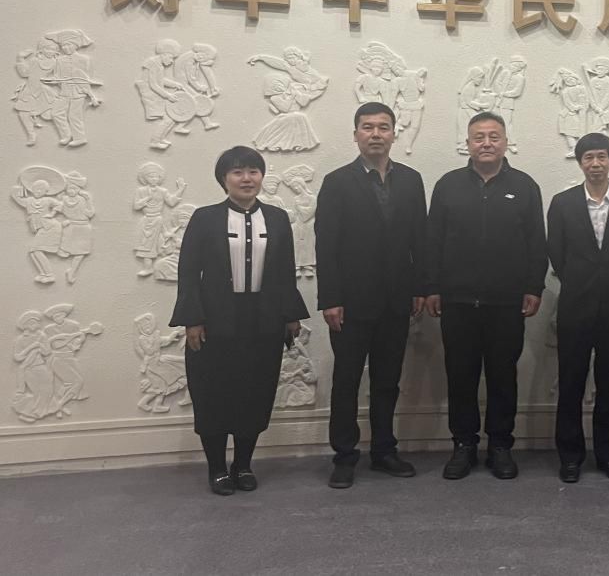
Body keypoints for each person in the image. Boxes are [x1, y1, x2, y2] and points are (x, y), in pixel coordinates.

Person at [169, 146, 309, 496]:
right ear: (224, 179)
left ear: (262, 176)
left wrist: (291, 314)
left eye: (253, 171)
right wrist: (192, 319)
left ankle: (243, 465)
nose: (246, 178)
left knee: (255, 392)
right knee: (213, 394)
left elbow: (285, 271)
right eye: (237, 172)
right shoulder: (204, 218)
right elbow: (188, 273)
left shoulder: (277, 218)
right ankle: (217, 468)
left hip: (263, 321)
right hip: (215, 321)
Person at [426, 112, 546, 480]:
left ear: (506, 142)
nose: (487, 143)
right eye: (479, 137)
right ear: (468, 143)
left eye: (494, 136)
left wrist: (534, 287)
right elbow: (433, 240)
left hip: (506, 302)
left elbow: (536, 243)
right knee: (460, 376)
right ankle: (463, 445)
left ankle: (500, 446)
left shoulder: (525, 186)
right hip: (457, 301)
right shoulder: (448, 185)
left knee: (502, 376)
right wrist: (431, 287)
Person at [315, 103, 427, 489]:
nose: (376, 134)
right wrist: (330, 298)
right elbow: (325, 245)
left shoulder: (411, 180)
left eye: (383, 127)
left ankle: (383, 450)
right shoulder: (337, 182)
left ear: (394, 134)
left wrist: (419, 288)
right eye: (367, 127)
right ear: (356, 135)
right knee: (346, 381)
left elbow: (419, 239)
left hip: (396, 300)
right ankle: (345, 456)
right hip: (349, 302)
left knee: (387, 380)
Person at [546, 133, 609, 482]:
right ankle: (570, 457)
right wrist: (582, 280)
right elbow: (557, 253)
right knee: (570, 383)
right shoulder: (562, 203)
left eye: (602, 156)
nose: (596, 163)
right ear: (580, 163)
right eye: (588, 157)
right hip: (575, 305)